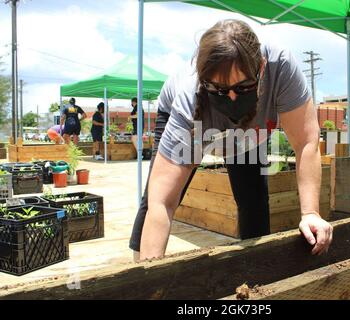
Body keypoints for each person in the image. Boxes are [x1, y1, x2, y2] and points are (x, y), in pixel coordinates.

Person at [130, 19, 333, 261]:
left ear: (262, 67)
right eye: (221, 90)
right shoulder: (188, 99)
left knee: (254, 200)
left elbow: (306, 142)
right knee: (155, 195)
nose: (234, 97)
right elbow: (163, 201)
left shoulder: (281, 68)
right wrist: (150, 279)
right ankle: (138, 263)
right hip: (196, 122)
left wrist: (310, 212)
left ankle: (257, 273)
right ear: (206, 83)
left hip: (251, 132)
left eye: (244, 86)